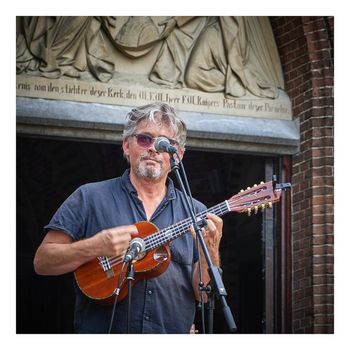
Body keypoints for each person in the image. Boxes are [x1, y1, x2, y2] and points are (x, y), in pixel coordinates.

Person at [33, 102, 223, 334]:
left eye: (165, 144)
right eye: (144, 139)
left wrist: (210, 251)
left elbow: (202, 296)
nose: (153, 148)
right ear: (126, 146)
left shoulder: (196, 211)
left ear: (178, 156)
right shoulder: (90, 196)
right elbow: (42, 262)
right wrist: (94, 246)